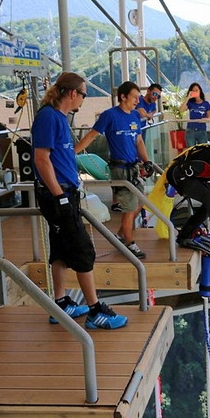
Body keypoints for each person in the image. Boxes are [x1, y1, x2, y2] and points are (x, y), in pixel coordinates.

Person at [32, 72, 127, 330]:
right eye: (84, 94)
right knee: (84, 250)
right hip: (58, 195)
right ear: (73, 93)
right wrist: (59, 196)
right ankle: (96, 310)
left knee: (61, 249)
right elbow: (41, 159)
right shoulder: (48, 117)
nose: (84, 99)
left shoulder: (59, 118)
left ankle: (61, 303)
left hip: (65, 193)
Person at [75, 81, 152, 260]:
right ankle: (129, 243)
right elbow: (92, 135)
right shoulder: (109, 116)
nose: (137, 101)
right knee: (129, 207)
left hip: (133, 167)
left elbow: (139, 141)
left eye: (138, 98)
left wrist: (146, 161)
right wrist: (71, 153)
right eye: (134, 97)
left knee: (139, 202)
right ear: (123, 96)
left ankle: (119, 234)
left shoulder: (134, 116)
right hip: (119, 169)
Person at [179, 82, 210, 147]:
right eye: (193, 91)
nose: (195, 92)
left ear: (200, 91)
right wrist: (188, 97)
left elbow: (209, 117)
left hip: (202, 130)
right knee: (191, 150)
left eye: (196, 90)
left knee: (203, 150)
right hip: (191, 130)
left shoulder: (206, 103)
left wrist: (205, 119)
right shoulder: (190, 103)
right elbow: (181, 110)